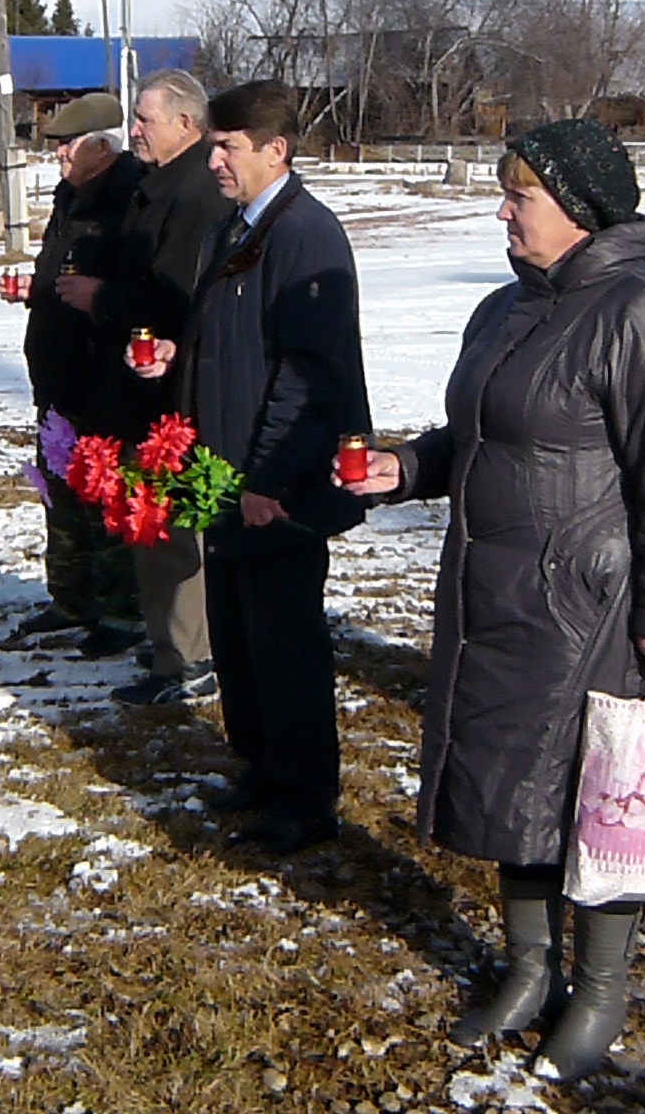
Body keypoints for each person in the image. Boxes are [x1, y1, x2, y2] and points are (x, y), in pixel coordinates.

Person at [340, 119, 645, 1079]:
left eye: (522, 197)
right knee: (517, 784)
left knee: (594, 795)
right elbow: (479, 438)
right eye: (505, 194)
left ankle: (598, 993)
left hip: (587, 602)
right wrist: (407, 466)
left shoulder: (636, 316)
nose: (503, 213)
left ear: (582, 212)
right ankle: (530, 967)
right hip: (492, 587)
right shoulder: (506, 309)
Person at [130, 79, 369, 855]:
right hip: (223, 475)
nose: (216, 162)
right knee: (237, 638)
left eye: (229, 147)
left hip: (276, 483)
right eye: (215, 146)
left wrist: (271, 477)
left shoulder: (307, 235)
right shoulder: (232, 229)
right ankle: (260, 768)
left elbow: (310, 372)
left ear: (277, 149)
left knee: (285, 643)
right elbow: (227, 334)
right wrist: (178, 353)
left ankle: (304, 799)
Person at [67, 69, 232, 705]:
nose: (135, 130)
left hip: (167, 395)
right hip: (133, 390)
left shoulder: (193, 195)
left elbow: (179, 297)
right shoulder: (154, 186)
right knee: (147, 525)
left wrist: (104, 297)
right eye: (136, 119)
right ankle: (168, 641)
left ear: (186, 124)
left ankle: (191, 657)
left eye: (146, 119)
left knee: (169, 526)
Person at [15, 93, 149, 652]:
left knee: (108, 496)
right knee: (62, 493)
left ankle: (120, 614)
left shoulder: (132, 196)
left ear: (101, 145)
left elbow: (145, 289)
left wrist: (102, 299)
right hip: (58, 373)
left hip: (105, 376)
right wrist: (34, 290)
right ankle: (71, 599)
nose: (57, 157)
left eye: (65, 146)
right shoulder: (69, 198)